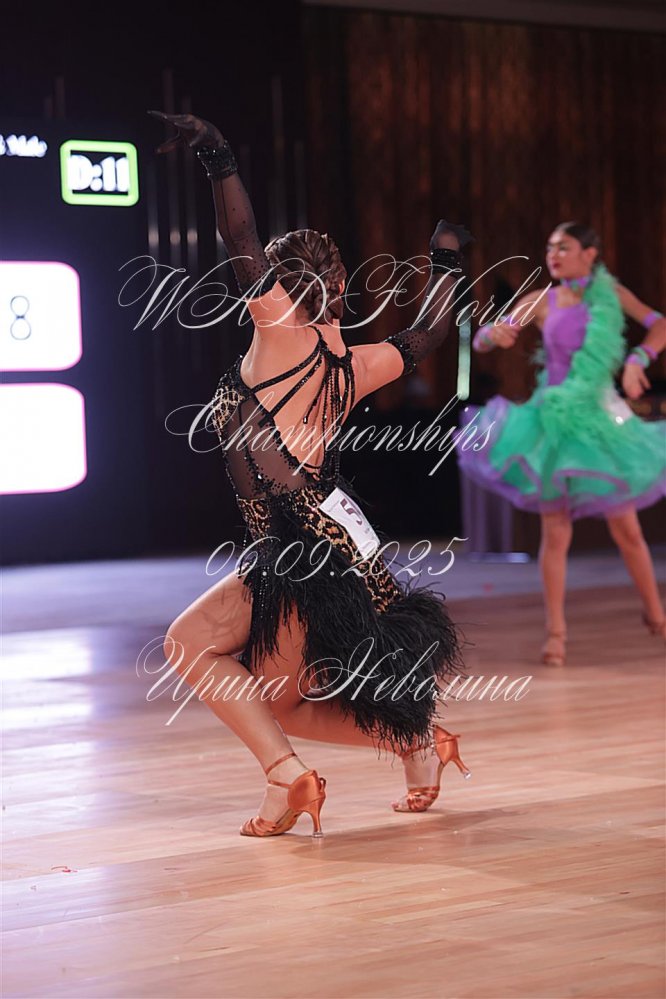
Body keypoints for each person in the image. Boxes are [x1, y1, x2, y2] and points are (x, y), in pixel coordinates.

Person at [149, 111, 472, 837]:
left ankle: (288, 780)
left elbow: (239, 239)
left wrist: (218, 153)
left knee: (188, 643)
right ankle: (417, 741)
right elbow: (428, 333)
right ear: (338, 284)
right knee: (279, 700)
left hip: (299, 545)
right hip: (329, 539)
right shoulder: (359, 362)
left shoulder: (278, 333)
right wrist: (447, 261)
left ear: (282, 285)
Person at [459, 221, 666, 666]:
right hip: (553, 420)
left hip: (601, 420)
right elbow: (484, 338)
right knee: (556, 530)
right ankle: (556, 633)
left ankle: (656, 613)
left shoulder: (613, 296)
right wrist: (493, 334)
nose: (553, 255)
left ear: (589, 254)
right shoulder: (541, 300)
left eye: (564, 247)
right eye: (550, 247)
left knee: (627, 528)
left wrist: (639, 358)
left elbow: (659, 324)